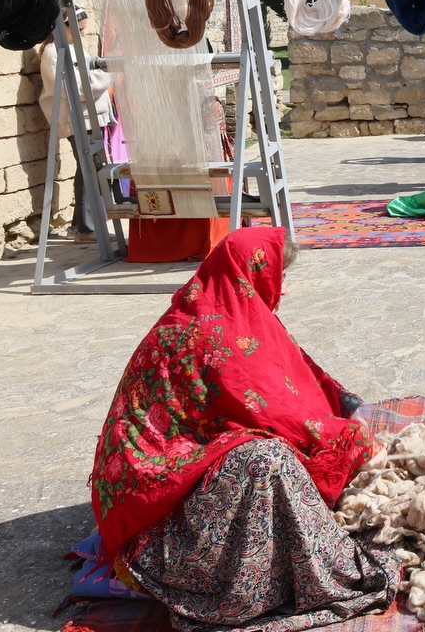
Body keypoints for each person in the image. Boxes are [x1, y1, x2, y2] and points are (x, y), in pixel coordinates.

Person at [88, 226, 399, 630]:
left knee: (263, 452)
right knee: (268, 461)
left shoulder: (208, 310)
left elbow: (293, 371)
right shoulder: (216, 336)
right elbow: (278, 415)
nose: (281, 290)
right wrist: (354, 441)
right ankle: (243, 585)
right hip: (157, 522)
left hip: (149, 488)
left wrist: (340, 401)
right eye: (275, 276)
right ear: (251, 275)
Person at [39, 7, 113, 240]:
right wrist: (108, 72)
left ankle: (77, 225)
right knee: (88, 169)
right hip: (78, 121)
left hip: (89, 119)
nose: (82, 32)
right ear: (63, 27)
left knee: (90, 169)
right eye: (78, 29)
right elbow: (80, 87)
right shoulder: (53, 53)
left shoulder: (71, 49)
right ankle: (86, 228)